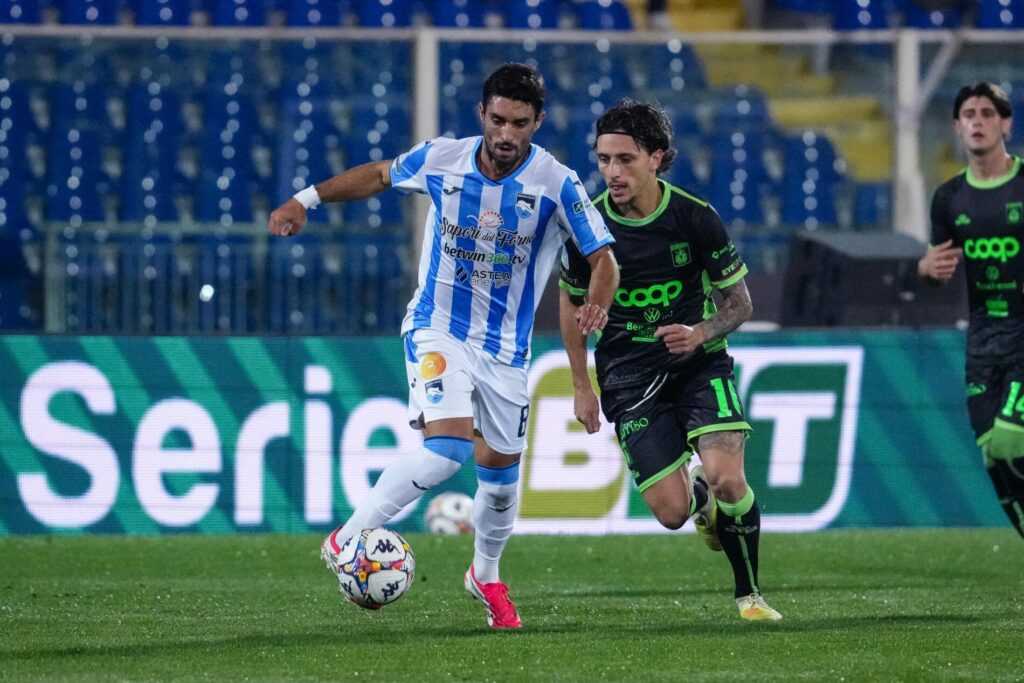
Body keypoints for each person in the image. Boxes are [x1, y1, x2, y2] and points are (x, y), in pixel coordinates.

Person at [268, 63, 619, 629]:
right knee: (447, 450)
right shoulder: (442, 158)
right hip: (438, 327)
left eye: (519, 123)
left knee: (500, 480)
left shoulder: (557, 183)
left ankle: (485, 575)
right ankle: (346, 539)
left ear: (538, 123)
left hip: (505, 352)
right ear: (482, 113)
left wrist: (597, 302)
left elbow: (603, 258)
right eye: (498, 120)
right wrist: (304, 199)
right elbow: (380, 175)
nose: (506, 134)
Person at [558, 99, 782, 621]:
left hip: (697, 365)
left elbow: (740, 303)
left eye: (625, 159)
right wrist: (581, 385)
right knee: (672, 513)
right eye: (604, 159)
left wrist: (700, 332)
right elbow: (570, 303)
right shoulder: (587, 227)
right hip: (627, 375)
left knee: (728, 477)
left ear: (656, 158)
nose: (613, 172)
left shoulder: (695, 217)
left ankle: (750, 596)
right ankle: (699, 500)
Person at [918, 82, 1024, 539]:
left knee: (1010, 441)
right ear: (957, 127)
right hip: (982, 344)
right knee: (993, 454)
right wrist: (926, 269)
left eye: (987, 113)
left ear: (1006, 124)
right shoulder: (949, 198)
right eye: (969, 114)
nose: (977, 121)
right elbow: (935, 267)